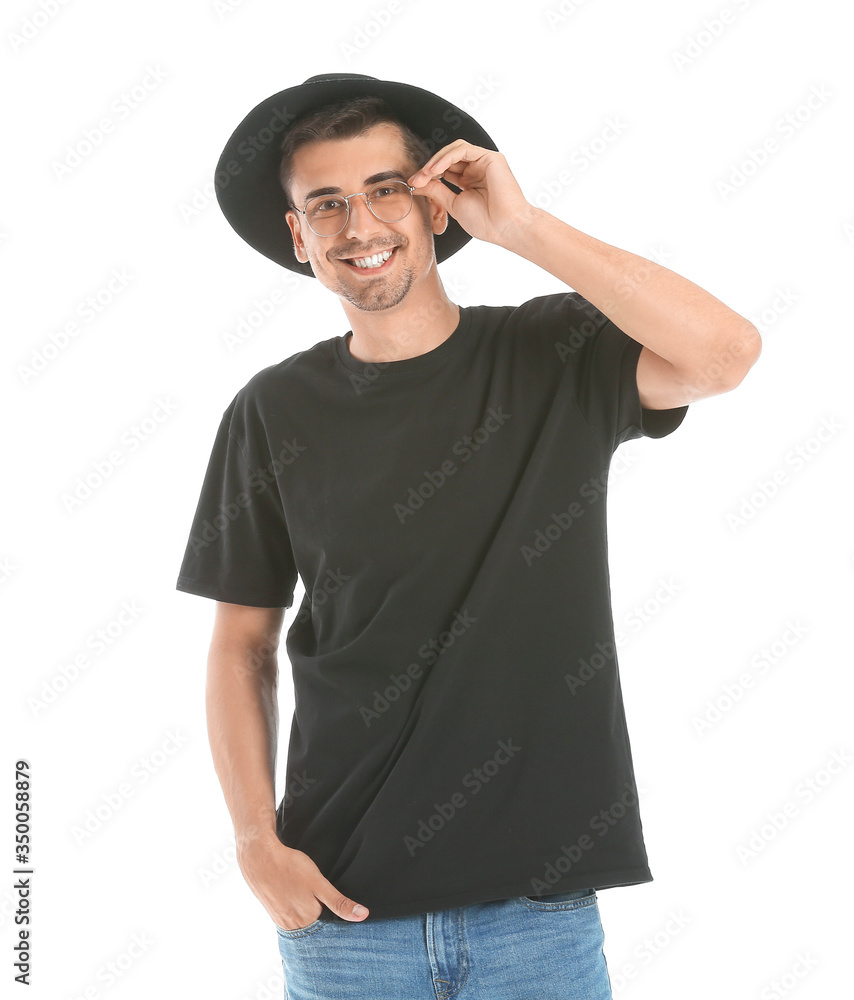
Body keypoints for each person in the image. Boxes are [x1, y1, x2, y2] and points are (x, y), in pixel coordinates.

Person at [176, 73, 761, 999]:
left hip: (538, 917)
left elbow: (726, 354)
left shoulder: (556, 354)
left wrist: (523, 228)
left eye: (386, 190)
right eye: (326, 204)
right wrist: (254, 842)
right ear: (299, 235)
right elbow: (241, 643)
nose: (359, 226)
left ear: (436, 206)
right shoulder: (271, 410)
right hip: (341, 915)